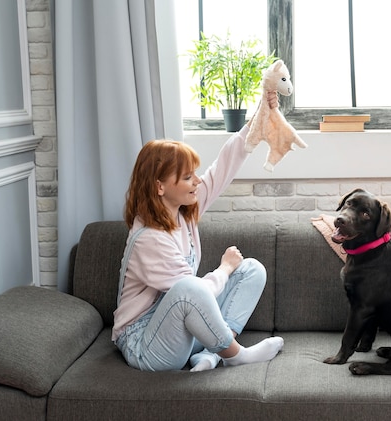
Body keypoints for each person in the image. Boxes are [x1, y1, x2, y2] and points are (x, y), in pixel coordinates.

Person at [113, 95, 284, 372]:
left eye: (194, 173)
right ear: (160, 187)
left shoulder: (183, 209)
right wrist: (225, 268)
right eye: (187, 177)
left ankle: (211, 355)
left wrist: (260, 116)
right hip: (146, 344)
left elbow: (224, 166)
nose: (198, 180)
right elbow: (192, 292)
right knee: (190, 287)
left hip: (179, 330)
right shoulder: (148, 238)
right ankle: (234, 353)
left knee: (252, 269)